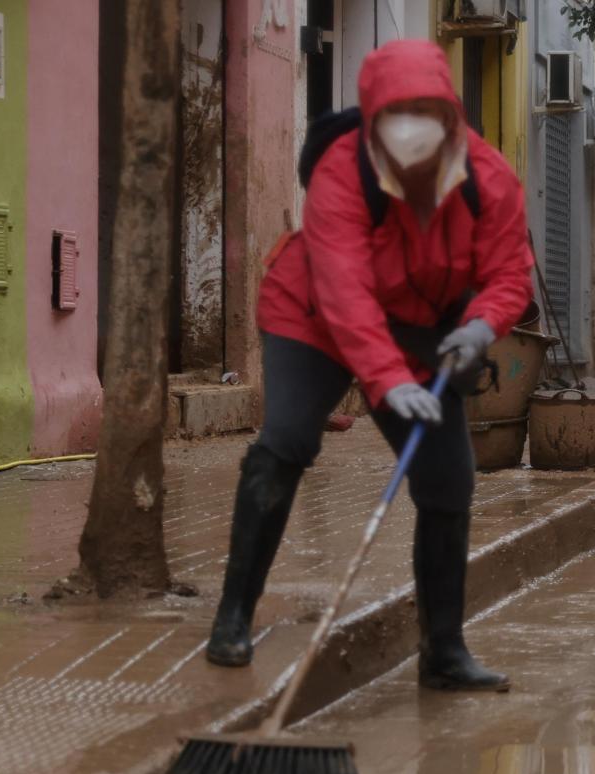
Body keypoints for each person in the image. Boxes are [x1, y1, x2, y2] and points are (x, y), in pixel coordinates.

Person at [206, 40, 533, 690]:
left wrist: (479, 327)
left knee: (448, 480)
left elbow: (508, 270)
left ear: (450, 116)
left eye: (426, 113)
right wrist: (384, 380)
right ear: (373, 118)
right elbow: (343, 289)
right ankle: (232, 619)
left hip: (426, 328)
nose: (411, 129)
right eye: (395, 115)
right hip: (314, 318)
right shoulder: (341, 170)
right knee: (288, 439)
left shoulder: (487, 177)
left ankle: (443, 652)